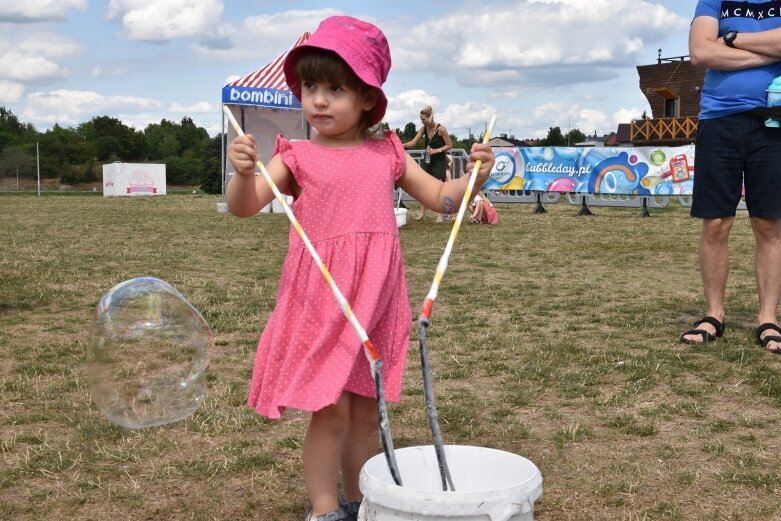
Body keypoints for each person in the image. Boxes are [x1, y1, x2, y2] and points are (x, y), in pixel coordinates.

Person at [226, 16, 495, 521]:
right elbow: (244, 205)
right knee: (330, 411)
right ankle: (325, 510)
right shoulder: (295, 157)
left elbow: (441, 198)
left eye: (334, 88)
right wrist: (243, 174)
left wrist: (476, 176)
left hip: (378, 298)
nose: (319, 100)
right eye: (310, 87)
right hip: (325, 300)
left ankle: (360, 501)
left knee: (367, 413)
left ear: (368, 98)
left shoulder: (387, 153)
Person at [682, 1, 781, 353]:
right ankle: (714, 314)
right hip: (719, 120)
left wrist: (732, 39)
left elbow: (716, 49)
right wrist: (769, 53)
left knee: (770, 224)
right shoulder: (713, 0)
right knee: (715, 223)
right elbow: (699, 53)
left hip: (774, 122)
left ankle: (768, 319)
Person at [403, 105, 453, 221]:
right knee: (423, 186)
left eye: (423, 119)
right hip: (428, 160)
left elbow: (450, 145)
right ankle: (421, 212)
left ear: (430, 118)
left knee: (439, 187)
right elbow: (413, 143)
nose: (422, 122)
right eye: (421, 119)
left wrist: (437, 150)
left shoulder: (441, 129)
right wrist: (401, 146)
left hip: (439, 160)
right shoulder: (423, 129)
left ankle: (440, 214)